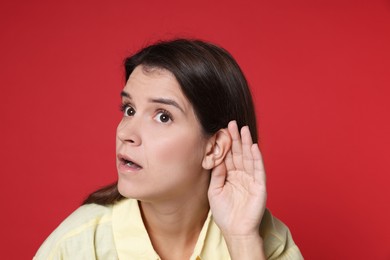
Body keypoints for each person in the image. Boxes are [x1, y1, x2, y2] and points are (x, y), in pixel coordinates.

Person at [34, 39, 303, 259]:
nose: (125, 133)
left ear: (214, 149)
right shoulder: (77, 246)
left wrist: (242, 240)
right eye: (129, 110)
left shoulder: (270, 244)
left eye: (163, 116)